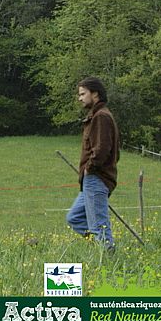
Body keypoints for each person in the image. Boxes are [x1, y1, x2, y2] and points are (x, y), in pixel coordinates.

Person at [65, 76, 120, 250]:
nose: (79, 98)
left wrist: (90, 168)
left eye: (82, 94)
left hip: (96, 178)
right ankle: (99, 247)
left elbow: (103, 148)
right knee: (74, 217)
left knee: (99, 226)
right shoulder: (97, 116)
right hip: (90, 180)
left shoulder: (101, 117)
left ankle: (108, 256)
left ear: (94, 93)